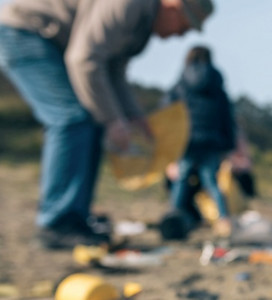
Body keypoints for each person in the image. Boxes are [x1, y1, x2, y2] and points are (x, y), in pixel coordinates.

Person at [0, 0, 214, 249]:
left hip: (56, 44)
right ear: (173, 5)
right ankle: (57, 221)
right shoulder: (128, 5)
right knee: (72, 120)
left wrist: (134, 117)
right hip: (25, 32)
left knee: (91, 121)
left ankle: (76, 218)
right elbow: (84, 59)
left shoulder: (140, 29)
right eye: (186, 25)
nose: (181, 34)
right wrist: (113, 120)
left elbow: (112, 72)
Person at [159, 45, 238, 240]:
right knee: (211, 181)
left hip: (186, 141)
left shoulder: (181, 84)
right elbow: (227, 117)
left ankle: (174, 216)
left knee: (181, 180)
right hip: (211, 141)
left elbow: (167, 113)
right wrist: (228, 146)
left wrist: (167, 148)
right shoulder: (217, 87)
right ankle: (224, 220)